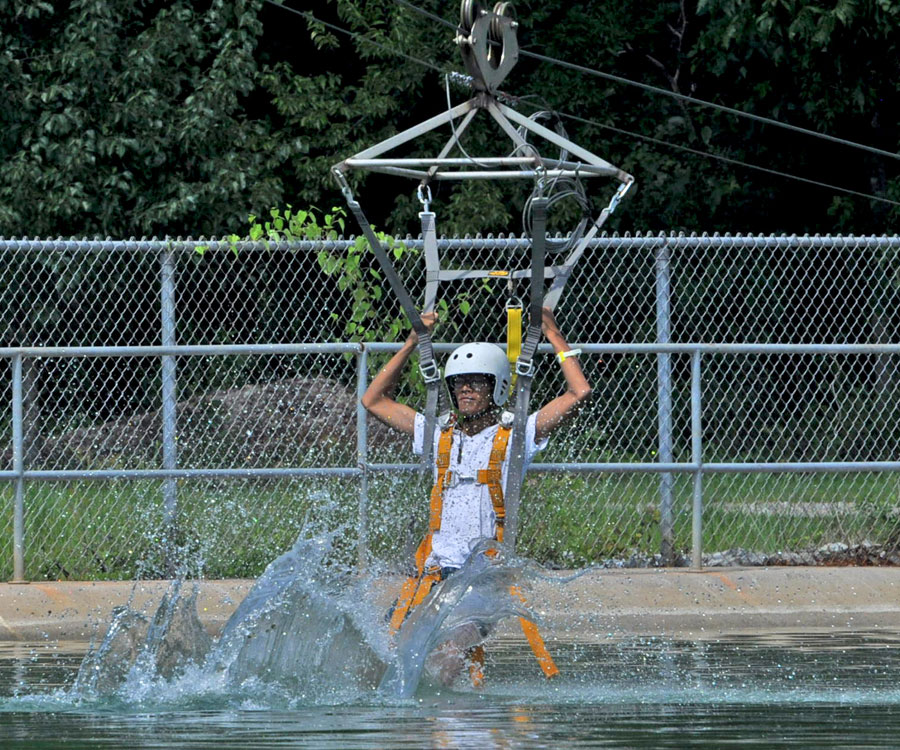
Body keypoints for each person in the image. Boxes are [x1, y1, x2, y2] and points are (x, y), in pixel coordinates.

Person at [361, 307, 591, 682]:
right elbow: (373, 400)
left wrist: (553, 337)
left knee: (451, 649)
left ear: (496, 386)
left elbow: (579, 392)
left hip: (484, 577)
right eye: (459, 383)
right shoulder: (438, 433)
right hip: (436, 573)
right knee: (384, 654)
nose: (465, 389)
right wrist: (411, 344)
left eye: (476, 382)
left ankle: (445, 725)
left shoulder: (516, 436)